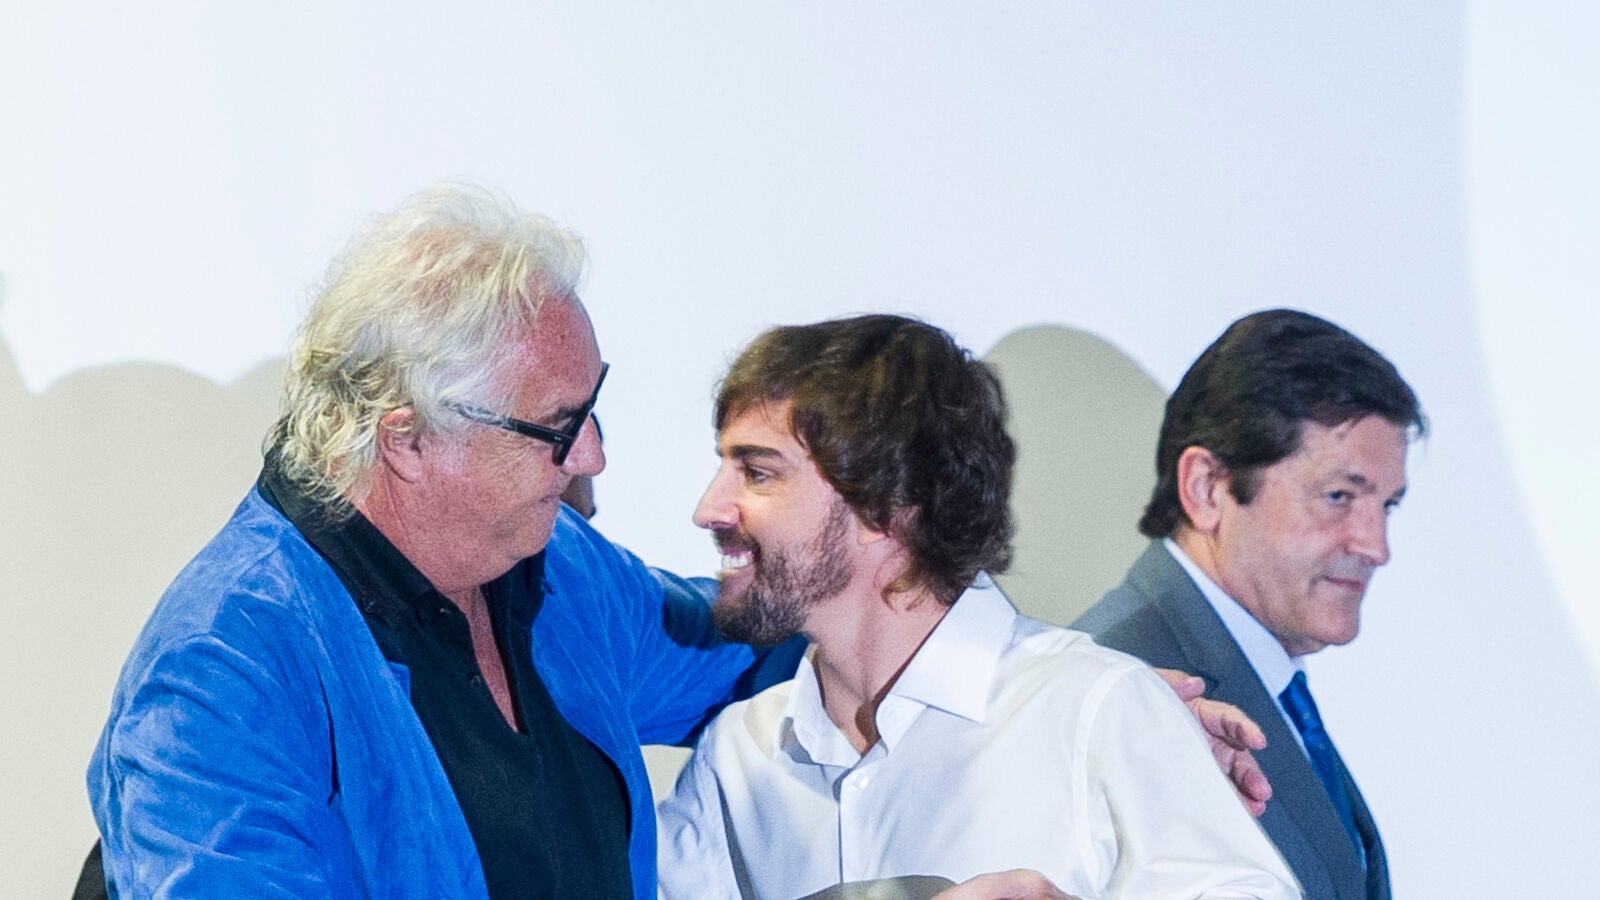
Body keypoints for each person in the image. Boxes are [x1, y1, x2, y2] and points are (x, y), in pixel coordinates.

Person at [85, 186, 797, 899]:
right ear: (408, 439)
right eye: (558, 427)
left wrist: (858, 564)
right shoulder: (221, 672)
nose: (591, 458)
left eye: (592, 408)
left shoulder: (559, 564)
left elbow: (752, 653)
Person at [656, 315, 1300, 900]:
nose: (708, 509)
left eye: (758, 472)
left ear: (883, 505)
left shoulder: (1098, 708)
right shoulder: (735, 756)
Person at [1073, 309, 1424, 900]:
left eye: (1386, 505)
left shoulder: (1265, 678)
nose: (1376, 547)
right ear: (1206, 488)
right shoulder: (1124, 684)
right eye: (1339, 496)